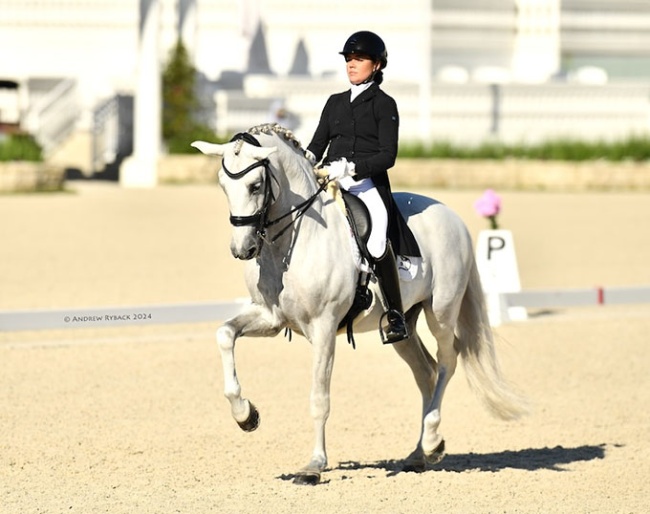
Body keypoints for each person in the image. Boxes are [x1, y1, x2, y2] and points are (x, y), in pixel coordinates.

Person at [305, 30, 420, 344]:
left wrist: (351, 167)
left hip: (366, 185)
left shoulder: (384, 105)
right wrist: (304, 160)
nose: (352, 65)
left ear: (377, 65)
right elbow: (317, 144)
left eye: (359, 59)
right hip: (330, 182)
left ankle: (395, 315)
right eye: (349, 59)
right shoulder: (335, 102)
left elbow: (388, 155)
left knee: (376, 241)